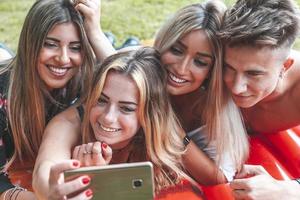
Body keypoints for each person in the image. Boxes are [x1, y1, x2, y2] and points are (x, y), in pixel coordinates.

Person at [32, 47, 196, 199]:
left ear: (149, 115)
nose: (108, 117)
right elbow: (45, 169)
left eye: (126, 108)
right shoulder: (68, 123)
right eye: (101, 100)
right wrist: (52, 191)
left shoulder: (164, 131)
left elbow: (214, 176)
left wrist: (181, 139)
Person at [0, 0, 113, 198]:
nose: (63, 58)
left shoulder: (84, 81)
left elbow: (129, 81)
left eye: (75, 48)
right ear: (30, 43)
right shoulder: (3, 95)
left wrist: (96, 34)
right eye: (51, 44)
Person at [153, 0, 249, 184]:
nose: (181, 69)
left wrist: (174, 133)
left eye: (200, 62)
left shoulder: (214, 107)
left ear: (212, 70)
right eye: (176, 50)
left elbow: (222, 177)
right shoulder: (145, 73)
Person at [219, 0, 300, 199]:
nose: (237, 87)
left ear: (285, 67)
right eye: (229, 68)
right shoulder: (210, 60)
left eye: (254, 74)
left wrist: (288, 190)